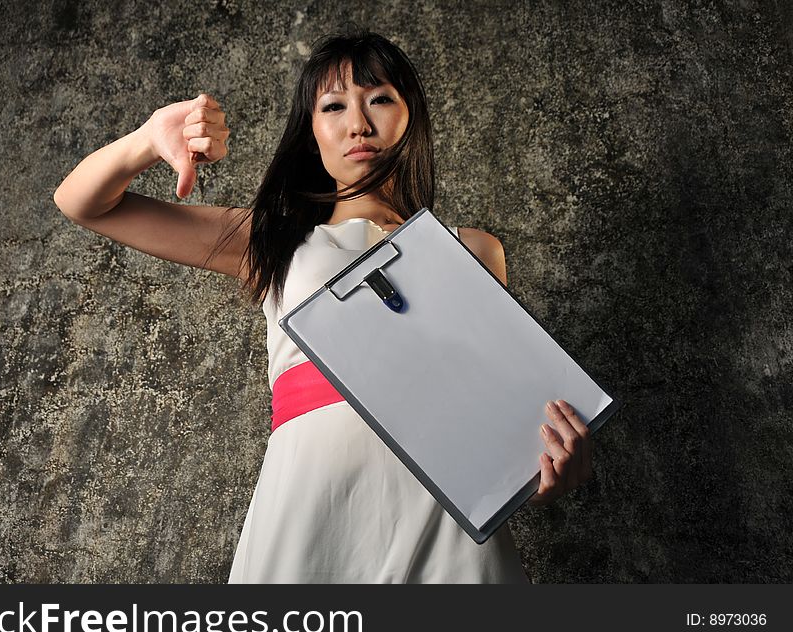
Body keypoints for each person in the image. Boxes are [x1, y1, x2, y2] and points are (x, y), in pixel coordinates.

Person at [53, 29, 593, 583]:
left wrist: (546, 468)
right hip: (312, 502)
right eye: (333, 106)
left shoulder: (473, 250)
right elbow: (84, 202)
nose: (358, 123)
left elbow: (499, 416)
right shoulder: (270, 239)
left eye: (379, 99)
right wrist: (148, 139)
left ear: (412, 118)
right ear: (312, 132)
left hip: (442, 520)